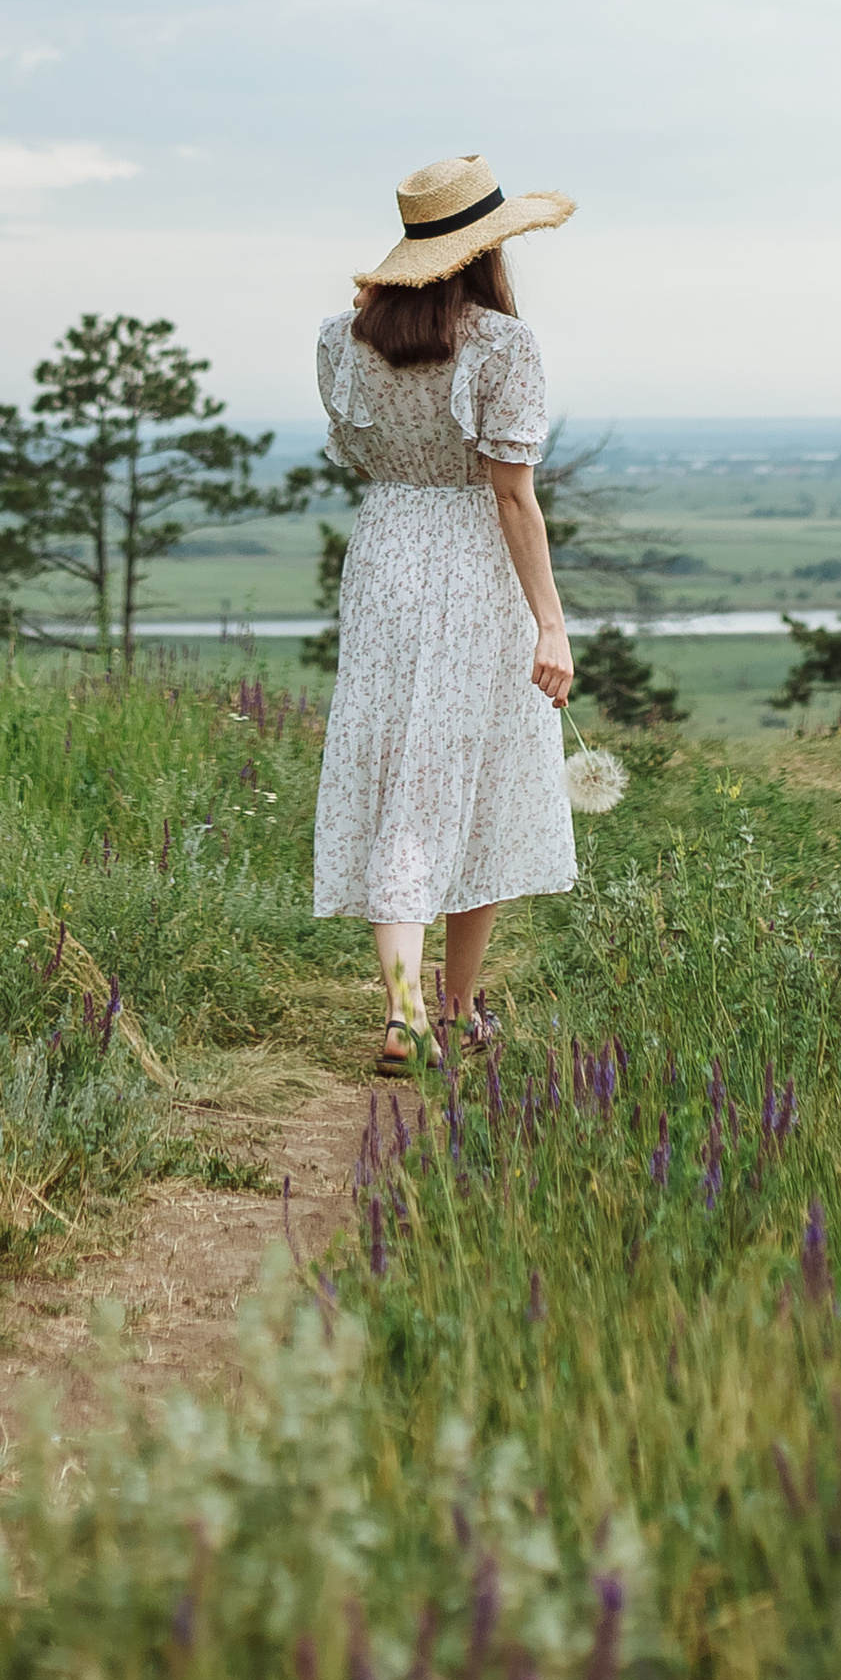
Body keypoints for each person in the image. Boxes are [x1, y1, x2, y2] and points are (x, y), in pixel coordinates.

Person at [310, 151, 578, 1074]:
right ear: (485, 251)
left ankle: (420, 1012)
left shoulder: (342, 342)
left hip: (384, 557)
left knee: (401, 770)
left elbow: (359, 454)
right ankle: (433, 1010)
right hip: (473, 566)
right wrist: (550, 621)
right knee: (470, 774)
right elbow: (513, 499)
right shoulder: (504, 346)